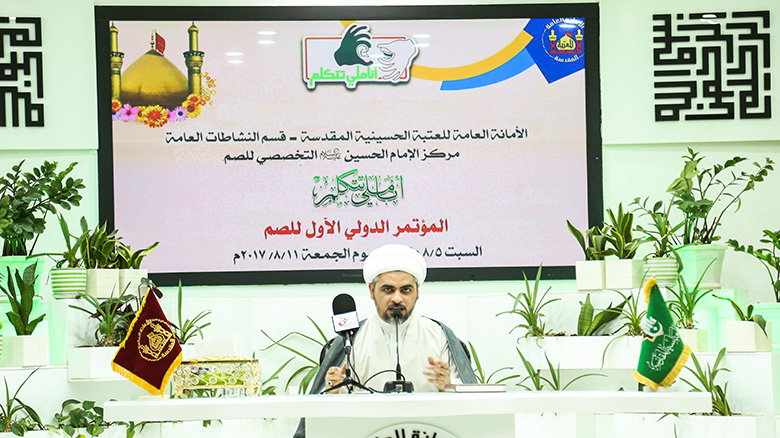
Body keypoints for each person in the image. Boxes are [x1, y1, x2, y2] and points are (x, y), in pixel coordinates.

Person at [293, 244, 476, 438]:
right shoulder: (351, 339)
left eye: (406, 290)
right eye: (388, 290)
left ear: (417, 292)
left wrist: (448, 384)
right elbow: (329, 415)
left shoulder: (439, 335)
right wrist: (332, 391)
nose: (397, 298)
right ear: (372, 290)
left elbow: (472, 402)